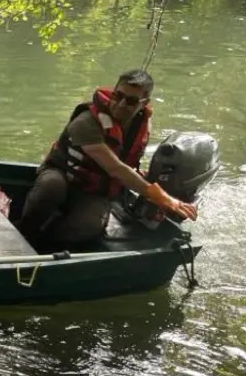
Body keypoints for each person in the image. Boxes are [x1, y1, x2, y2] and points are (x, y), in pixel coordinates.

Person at [18, 69, 197, 247]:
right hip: (63, 173)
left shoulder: (141, 124)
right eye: (118, 95)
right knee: (50, 187)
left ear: (144, 103)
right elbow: (116, 168)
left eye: (131, 101)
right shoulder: (86, 121)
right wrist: (164, 199)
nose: (121, 104)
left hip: (95, 190)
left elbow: (127, 164)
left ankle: (46, 245)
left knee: (89, 225)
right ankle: (24, 233)